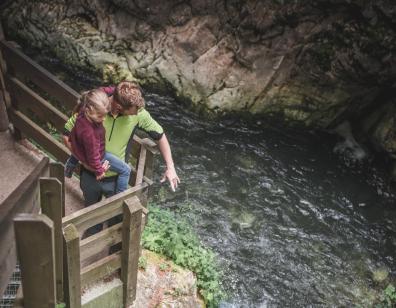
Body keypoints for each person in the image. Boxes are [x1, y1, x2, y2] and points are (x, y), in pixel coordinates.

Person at [63, 81, 180, 209]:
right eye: (132, 112)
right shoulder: (94, 108)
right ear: (118, 107)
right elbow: (66, 134)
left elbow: (160, 135)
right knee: (91, 212)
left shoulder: (138, 112)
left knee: (116, 215)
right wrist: (86, 162)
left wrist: (170, 167)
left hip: (115, 179)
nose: (136, 114)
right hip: (89, 176)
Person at [64, 89, 132, 194]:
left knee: (80, 147)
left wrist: (117, 90)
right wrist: (99, 171)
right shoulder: (90, 134)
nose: (104, 119)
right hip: (99, 155)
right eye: (100, 116)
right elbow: (93, 155)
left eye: (105, 115)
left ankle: (70, 166)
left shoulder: (83, 113)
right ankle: (119, 197)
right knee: (126, 170)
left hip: (78, 146)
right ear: (89, 110)